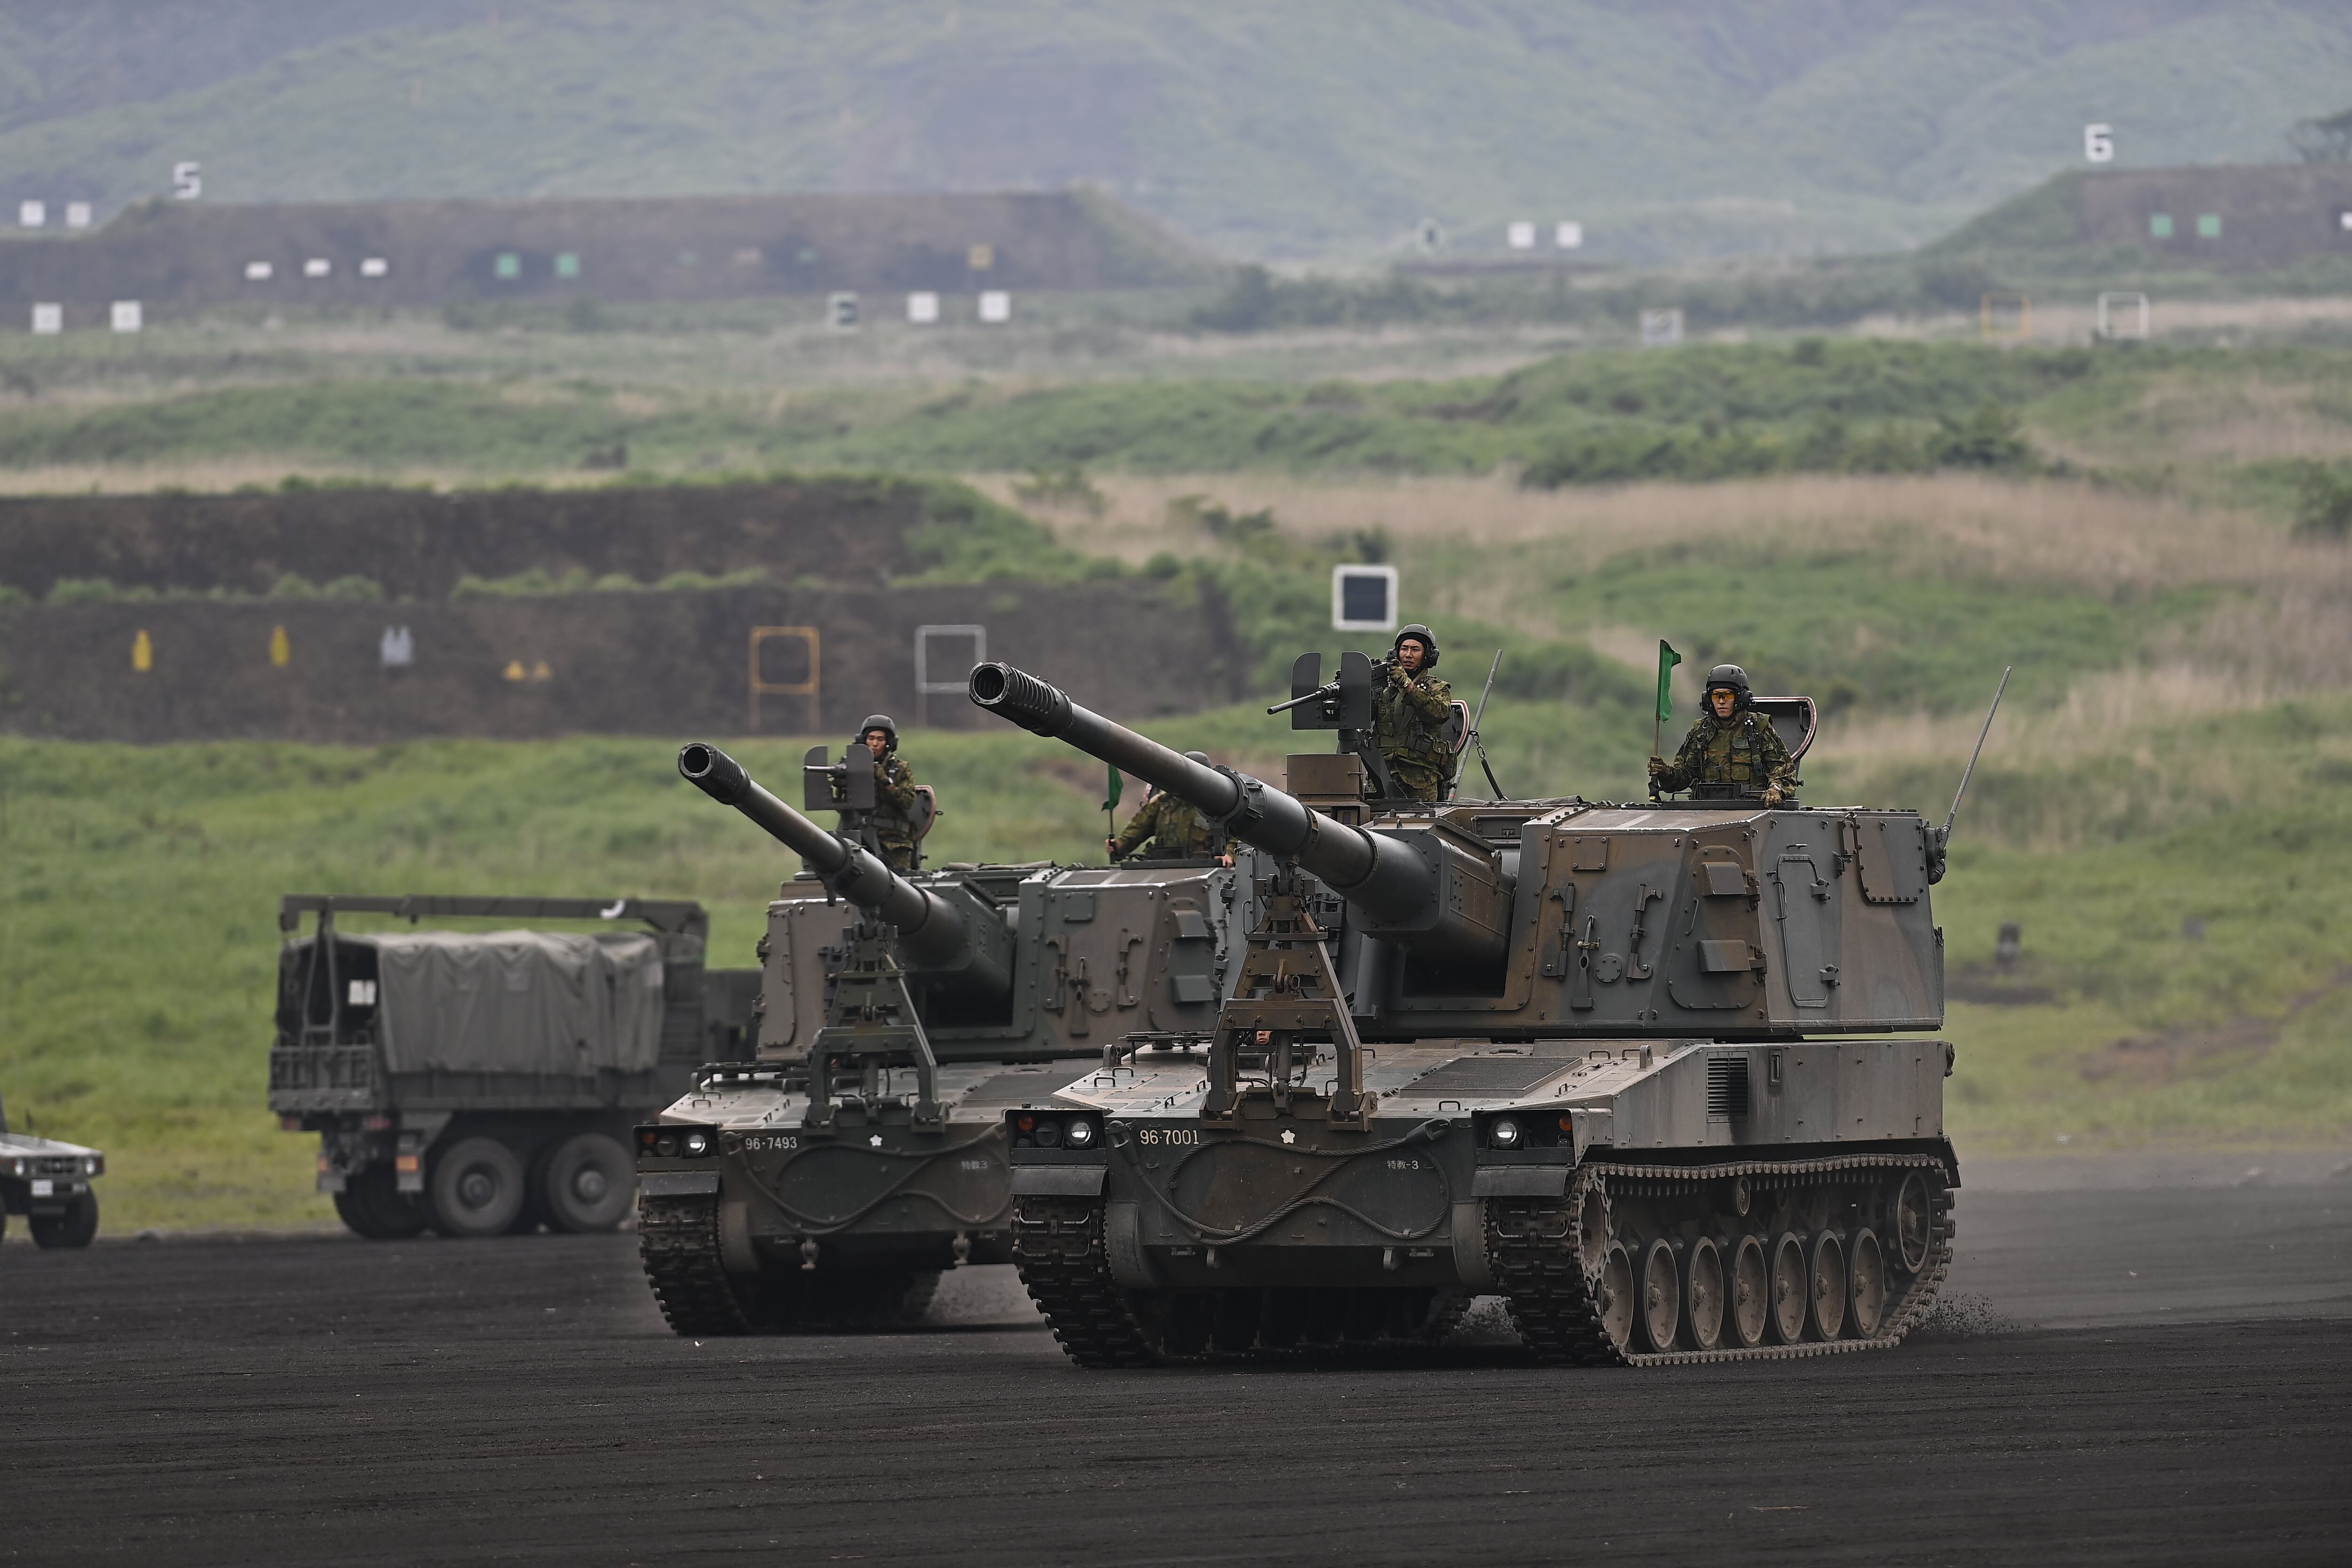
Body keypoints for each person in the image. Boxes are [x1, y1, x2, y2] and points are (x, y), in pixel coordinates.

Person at [1649, 664, 1796, 804]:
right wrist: (1664, 771)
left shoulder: (1758, 728)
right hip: (1706, 812)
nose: (1721, 702)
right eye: (1716, 696)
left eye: (1727, 695)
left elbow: (1784, 773)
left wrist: (1775, 791)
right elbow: (1685, 776)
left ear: (1741, 698)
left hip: (1751, 811)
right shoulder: (1702, 731)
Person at [1373, 624, 1455, 804]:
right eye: (1404, 649)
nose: (1408, 655)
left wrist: (1408, 685)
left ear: (1428, 656)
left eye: (1415, 649)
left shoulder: (1437, 687)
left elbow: (1440, 713)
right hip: (1381, 775)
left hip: (1421, 778)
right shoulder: (1383, 690)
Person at [1108, 751, 1234, 865]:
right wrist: (1119, 845)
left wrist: (1228, 854)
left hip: (1203, 869)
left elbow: (1239, 835)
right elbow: (1138, 828)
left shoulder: (1217, 804)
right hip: (1165, 868)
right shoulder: (1163, 802)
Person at [856, 714, 924, 872]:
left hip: (894, 844)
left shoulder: (900, 769)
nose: (874, 744)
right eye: (871, 738)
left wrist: (886, 782)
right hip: (863, 841)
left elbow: (907, 802)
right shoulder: (856, 767)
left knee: (900, 891)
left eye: (880, 739)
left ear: (889, 743)